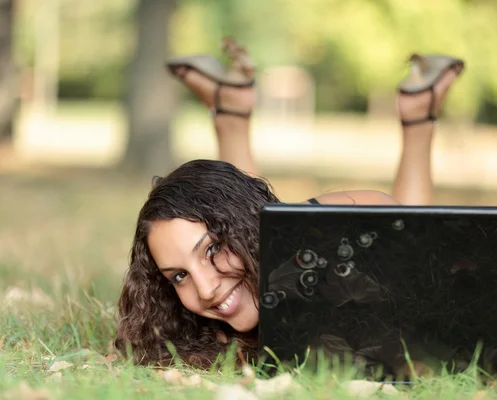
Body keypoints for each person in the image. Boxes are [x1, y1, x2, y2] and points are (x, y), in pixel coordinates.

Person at [114, 38, 465, 368]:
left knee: (401, 256)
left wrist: (294, 230)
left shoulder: (311, 247)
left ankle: (418, 118)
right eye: (178, 276)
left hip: (341, 255)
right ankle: (231, 111)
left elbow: (393, 217)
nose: (205, 289)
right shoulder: (198, 325)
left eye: (211, 250)